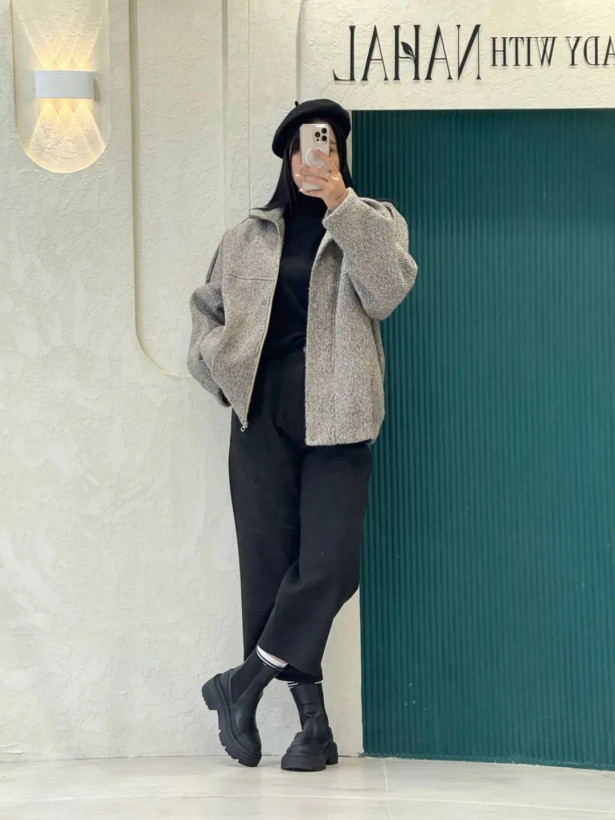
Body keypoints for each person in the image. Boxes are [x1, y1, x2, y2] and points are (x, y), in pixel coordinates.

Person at [188, 99, 418, 771]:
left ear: (340, 157)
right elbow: (206, 312)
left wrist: (341, 203)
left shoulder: (373, 222)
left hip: (339, 414)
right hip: (260, 414)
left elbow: (386, 293)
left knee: (328, 567)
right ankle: (312, 728)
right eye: (302, 147)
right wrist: (221, 368)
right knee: (268, 570)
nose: (314, 157)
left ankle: (242, 683)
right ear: (287, 159)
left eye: (328, 147)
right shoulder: (246, 237)